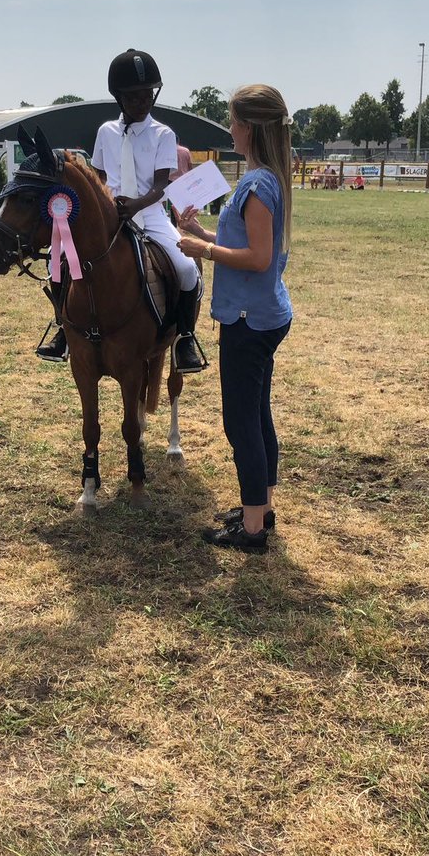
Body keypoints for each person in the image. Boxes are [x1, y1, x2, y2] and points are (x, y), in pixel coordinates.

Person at [37, 49, 206, 373]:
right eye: (132, 96)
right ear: (118, 97)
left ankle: (184, 337)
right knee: (58, 262)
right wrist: (103, 206)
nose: (140, 102)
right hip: (109, 215)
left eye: (146, 95)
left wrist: (138, 204)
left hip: (151, 214)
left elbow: (161, 184)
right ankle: (62, 329)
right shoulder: (106, 133)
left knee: (186, 269)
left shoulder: (163, 135)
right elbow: (97, 177)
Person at [176, 83, 293, 552]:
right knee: (256, 412)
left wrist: (203, 249)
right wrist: (200, 230)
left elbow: (258, 257)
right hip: (260, 314)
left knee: (240, 420)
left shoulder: (257, 184)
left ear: (247, 128)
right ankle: (258, 508)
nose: (229, 128)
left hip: (250, 320)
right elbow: (244, 240)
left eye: (232, 121)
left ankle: (251, 530)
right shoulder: (265, 179)